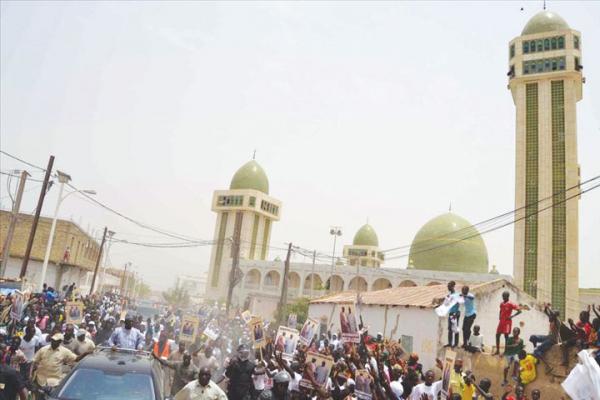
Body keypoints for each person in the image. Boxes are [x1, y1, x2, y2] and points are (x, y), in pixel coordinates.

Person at [446, 281, 461, 348]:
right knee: (450, 329)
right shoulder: (450, 295)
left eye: (449, 286)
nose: (448, 287)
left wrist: (455, 313)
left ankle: (455, 344)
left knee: (455, 329)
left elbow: (458, 304)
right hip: (451, 313)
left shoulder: (456, 295)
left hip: (455, 313)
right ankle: (450, 343)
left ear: (452, 286)